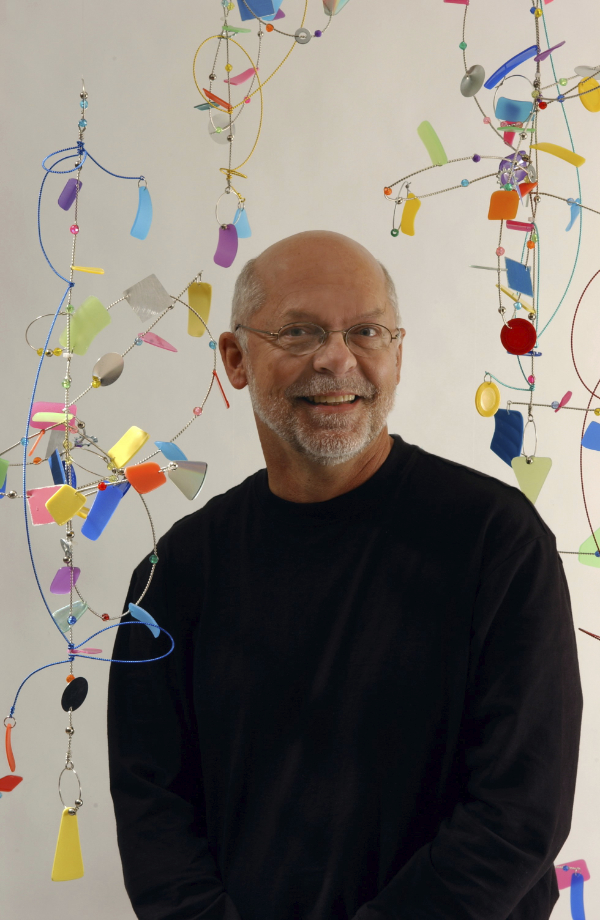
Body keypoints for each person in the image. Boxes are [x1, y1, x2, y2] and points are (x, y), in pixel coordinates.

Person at [107, 230, 583, 920]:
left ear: (396, 354)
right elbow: (154, 812)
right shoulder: (176, 572)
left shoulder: (496, 541)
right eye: (299, 332)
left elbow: (519, 811)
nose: (337, 358)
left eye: (366, 331)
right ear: (237, 359)